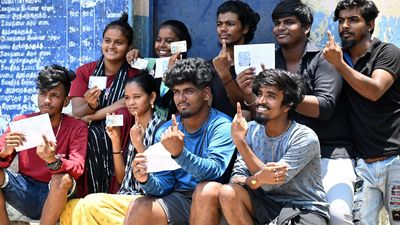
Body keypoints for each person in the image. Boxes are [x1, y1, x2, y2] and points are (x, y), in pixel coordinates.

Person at [236, 1, 356, 224]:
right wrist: (250, 95)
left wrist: (283, 92)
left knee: (339, 215)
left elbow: (325, 106)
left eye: (288, 22)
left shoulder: (323, 58)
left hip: (328, 152)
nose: (280, 27)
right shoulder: (268, 59)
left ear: (307, 28)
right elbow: (265, 112)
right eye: (277, 23)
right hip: (280, 152)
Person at [123, 58, 235, 225]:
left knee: (205, 190)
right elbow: (164, 185)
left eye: (188, 91)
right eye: (176, 92)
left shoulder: (222, 125)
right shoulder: (165, 129)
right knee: (139, 205)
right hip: (179, 198)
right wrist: (145, 179)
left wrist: (179, 153)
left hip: (214, 200)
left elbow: (213, 172)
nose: (181, 98)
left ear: (205, 93)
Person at [323, 0, 400, 224]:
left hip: (395, 158)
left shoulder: (387, 52)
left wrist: (340, 65)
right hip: (362, 164)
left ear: (370, 24)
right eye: (341, 20)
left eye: (353, 19)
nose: (345, 25)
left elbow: (375, 90)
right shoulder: (337, 58)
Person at [218, 69, 329, 225]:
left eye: (271, 96)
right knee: (227, 192)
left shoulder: (304, 137)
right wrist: (257, 179)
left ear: (287, 105)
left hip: (303, 209)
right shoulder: (249, 130)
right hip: (266, 204)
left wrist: (240, 143)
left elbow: (272, 183)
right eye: (259, 94)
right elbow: (237, 178)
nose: (261, 101)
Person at [60, 73, 163, 225]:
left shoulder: (161, 130)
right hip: (126, 195)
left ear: (152, 98)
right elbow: (122, 179)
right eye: (127, 98)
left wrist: (139, 145)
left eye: (137, 97)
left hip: (146, 201)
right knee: (70, 206)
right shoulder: (134, 129)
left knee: (90, 203)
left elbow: (160, 181)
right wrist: (116, 141)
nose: (131, 102)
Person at [0, 65, 88, 225]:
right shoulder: (21, 122)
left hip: (58, 192)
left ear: (66, 101)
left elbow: (78, 168)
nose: (46, 100)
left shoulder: (76, 127)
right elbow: (2, 158)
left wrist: (53, 160)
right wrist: (5, 152)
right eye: (42, 94)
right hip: (25, 189)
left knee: (62, 179)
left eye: (54, 95)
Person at [70, 13, 139, 195]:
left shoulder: (134, 74)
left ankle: (117, 189)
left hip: (121, 135)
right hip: (90, 132)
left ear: (129, 47)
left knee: (122, 114)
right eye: (107, 40)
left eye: (119, 42)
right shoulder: (85, 71)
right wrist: (90, 105)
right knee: (88, 134)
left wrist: (92, 115)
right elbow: (77, 113)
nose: (111, 46)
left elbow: (126, 103)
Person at [126, 20, 192, 121]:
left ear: (182, 44)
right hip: (152, 128)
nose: (161, 45)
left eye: (169, 41)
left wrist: (173, 74)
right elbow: (134, 61)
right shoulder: (151, 64)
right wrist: (133, 54)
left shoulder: (191, 70)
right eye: (158, 40)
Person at [211, 0, 260, 118]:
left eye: (230, 24)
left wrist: (225, 75)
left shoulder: (256, 65)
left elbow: (247, 109)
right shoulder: (209, 66)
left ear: (245, 29)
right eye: (219, 24)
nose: (223, 29)